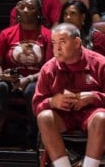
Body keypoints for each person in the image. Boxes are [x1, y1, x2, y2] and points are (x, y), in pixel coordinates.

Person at [33, 23, 105, 167]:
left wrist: (94, 97)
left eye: (62, 42)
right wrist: (52, 102)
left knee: (101, 118)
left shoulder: (100, 63)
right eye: (53, 43)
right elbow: (36, 106)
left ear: (77, 42)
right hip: (63, 116)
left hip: (92, 115)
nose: (56, 49)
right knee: (44, 117)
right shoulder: (49, 68)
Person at [0, 0, 52, 147]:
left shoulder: (47, 35)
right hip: (12, 80)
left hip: (36, 80)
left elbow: (50, 66)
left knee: (31, 90)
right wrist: (1, 75)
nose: (25, 10)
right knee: (2, 87)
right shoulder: (6, 34)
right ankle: (2, 126)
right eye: (22, 6)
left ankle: (33, 130)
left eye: (30, 8)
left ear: (38, 12)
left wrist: (29, 79)